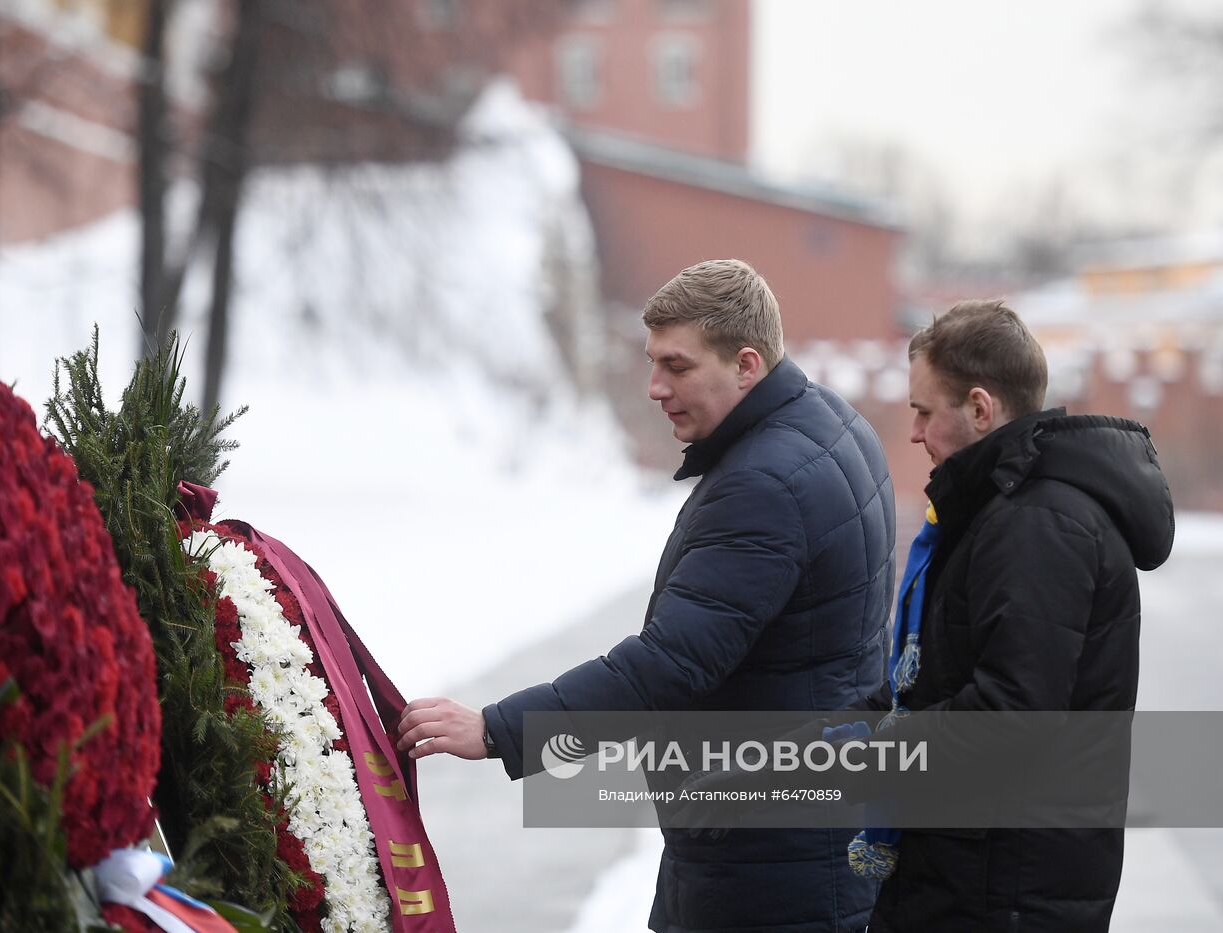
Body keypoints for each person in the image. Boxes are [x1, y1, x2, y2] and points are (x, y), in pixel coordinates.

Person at [397, 259, 895, 932]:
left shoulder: (766, 485)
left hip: (765, 862)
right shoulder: (832, 423)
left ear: (747, 364)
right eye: (653, 362)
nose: (655, 386)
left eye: (678, 366)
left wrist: (497, 729)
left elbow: (670, 664)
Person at [848, 300, 1174, 931]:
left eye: (923, 411)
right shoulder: (1000, 512)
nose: (913, 432)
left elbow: (1010, 722)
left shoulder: (1037, 526)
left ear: (979, 408)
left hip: (1002, 890)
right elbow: (938, 679)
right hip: (974, 873)